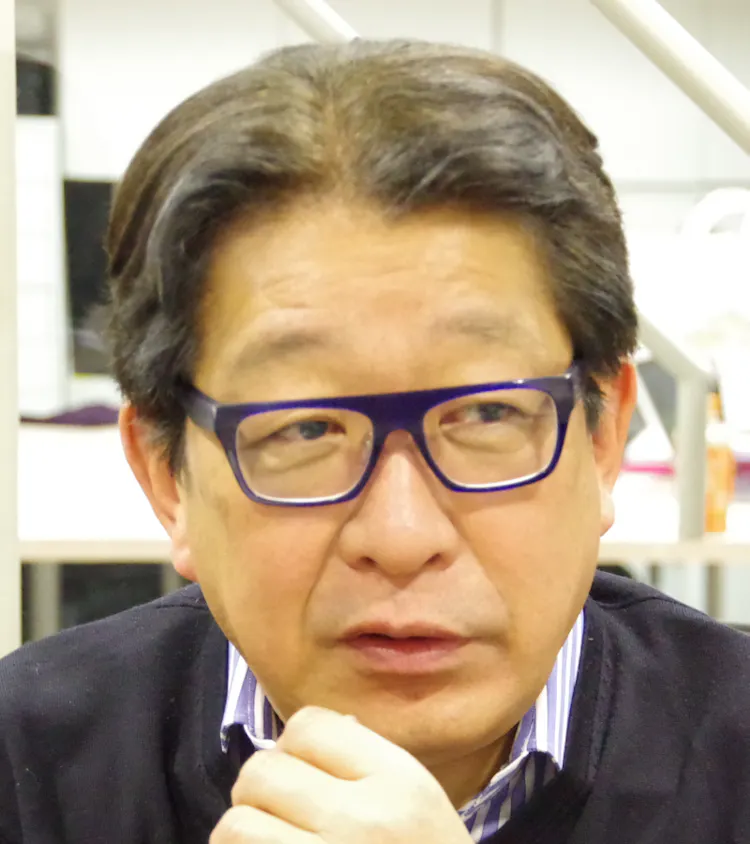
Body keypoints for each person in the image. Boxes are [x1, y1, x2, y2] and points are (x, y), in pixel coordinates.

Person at [1, 39, 749, 844]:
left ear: (602, 438)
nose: (401, 538)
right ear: (166, 477)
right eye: (306, 428)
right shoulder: (27, 767)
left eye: (487, 415)